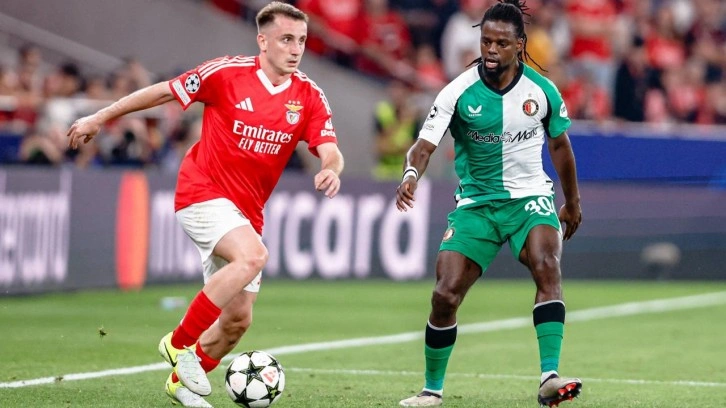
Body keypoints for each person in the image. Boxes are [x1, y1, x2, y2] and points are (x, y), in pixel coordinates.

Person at [66, 2, 344, 407]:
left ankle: (179, 383)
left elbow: (331, 150)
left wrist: (331, 169)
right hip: (201, 191)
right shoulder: (226, 73)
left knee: (237, 320)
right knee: (253, 257)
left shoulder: (308, 95)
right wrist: (99, 117)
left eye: (301, 40)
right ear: (262, 41)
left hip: (247, 212)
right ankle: (177, 343)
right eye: (286, 39)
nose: (295, 48)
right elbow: (163, 91)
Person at [395, 1, 582, 407]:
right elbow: (423, 146)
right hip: (476, 204)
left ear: (520, 44)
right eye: (485, 42)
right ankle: (431, 390)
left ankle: (549, 377)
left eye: (501, 43)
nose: (491, 50)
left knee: (547, 264)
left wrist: (572, 201)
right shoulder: (457, 91)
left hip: (529, 199)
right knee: (445, 294)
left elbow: (560, 146)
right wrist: (410, 175)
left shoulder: (542, 91)